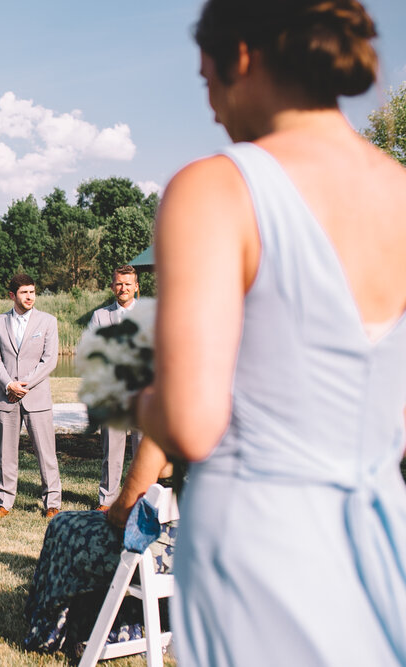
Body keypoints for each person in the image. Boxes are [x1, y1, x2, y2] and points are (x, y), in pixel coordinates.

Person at [134, 1, 406, 664]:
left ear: (244, 57)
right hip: (385, 537)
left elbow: (194, 423)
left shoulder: (216, 189)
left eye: (207, 82)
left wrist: (142, 400)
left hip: (262, 543)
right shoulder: (399, 190)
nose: (212, 110)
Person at [24, 438, 173, 656]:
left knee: (63, 527)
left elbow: (125, 514)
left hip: (159, 557)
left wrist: (110, 513)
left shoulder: (165, 433)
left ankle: (50, 632)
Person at [0, 273, 61, 518]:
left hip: (36, 396)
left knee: (45, 452)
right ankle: (4, 502)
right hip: (6, 397)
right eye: (24, 292)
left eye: (32, 291)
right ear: (12, 295)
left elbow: (49, 360)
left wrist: (24, 384)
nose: (29, 297)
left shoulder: (48, 321)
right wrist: (9, 384)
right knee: (6, 453)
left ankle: (52, 502)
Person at [88, 265, 144, 510]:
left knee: (143, 451)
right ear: (112, 286)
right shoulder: (100, 316)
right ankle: (107, 500)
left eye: (128, 284)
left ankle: (141, 499)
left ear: (136, 287)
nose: (123, 288)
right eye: (119, 284)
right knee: (112, 450)